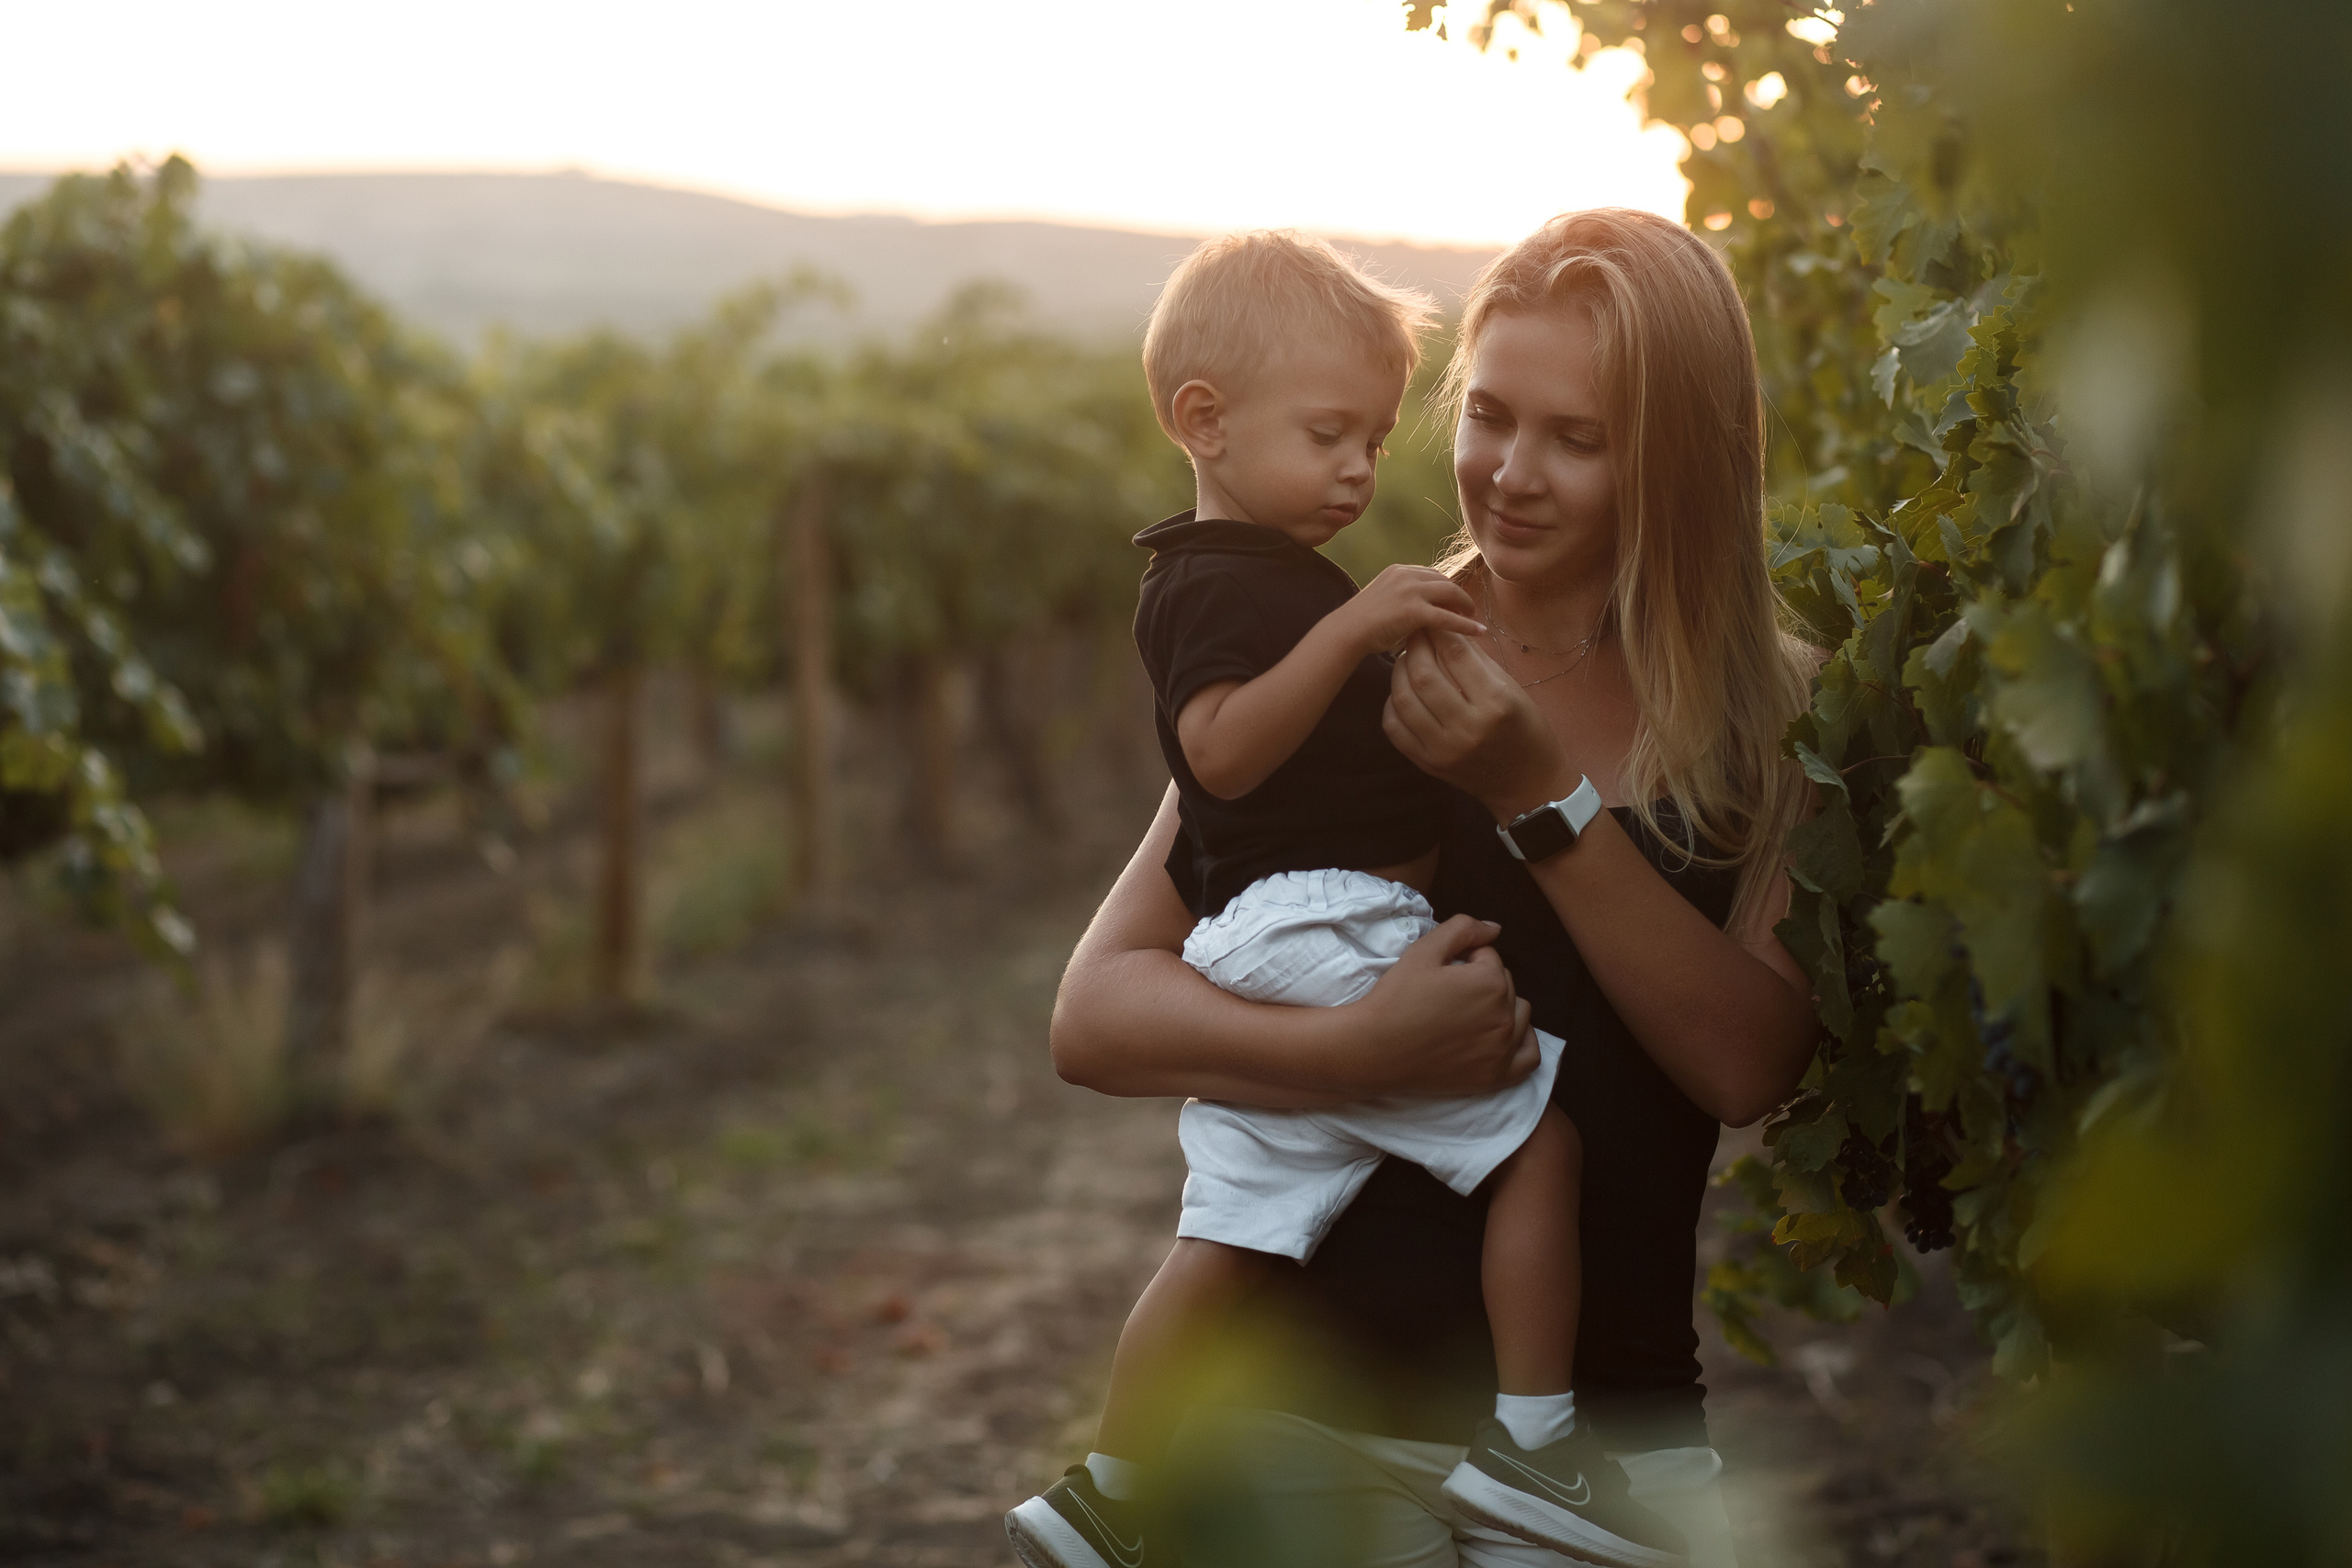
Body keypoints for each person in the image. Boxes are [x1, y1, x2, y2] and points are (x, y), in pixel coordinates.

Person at [1046, 209, 1823, 1568]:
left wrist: (1538, 801)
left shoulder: (1775, 719)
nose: (1511, 475)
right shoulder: (1348, 668)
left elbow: (1746, 1062)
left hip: (1606, 1444)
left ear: (1677, 460)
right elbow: (1096, 1017)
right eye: (1491, 419)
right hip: (1305, 1426)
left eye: (1576, 439)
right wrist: (1350, 1048)